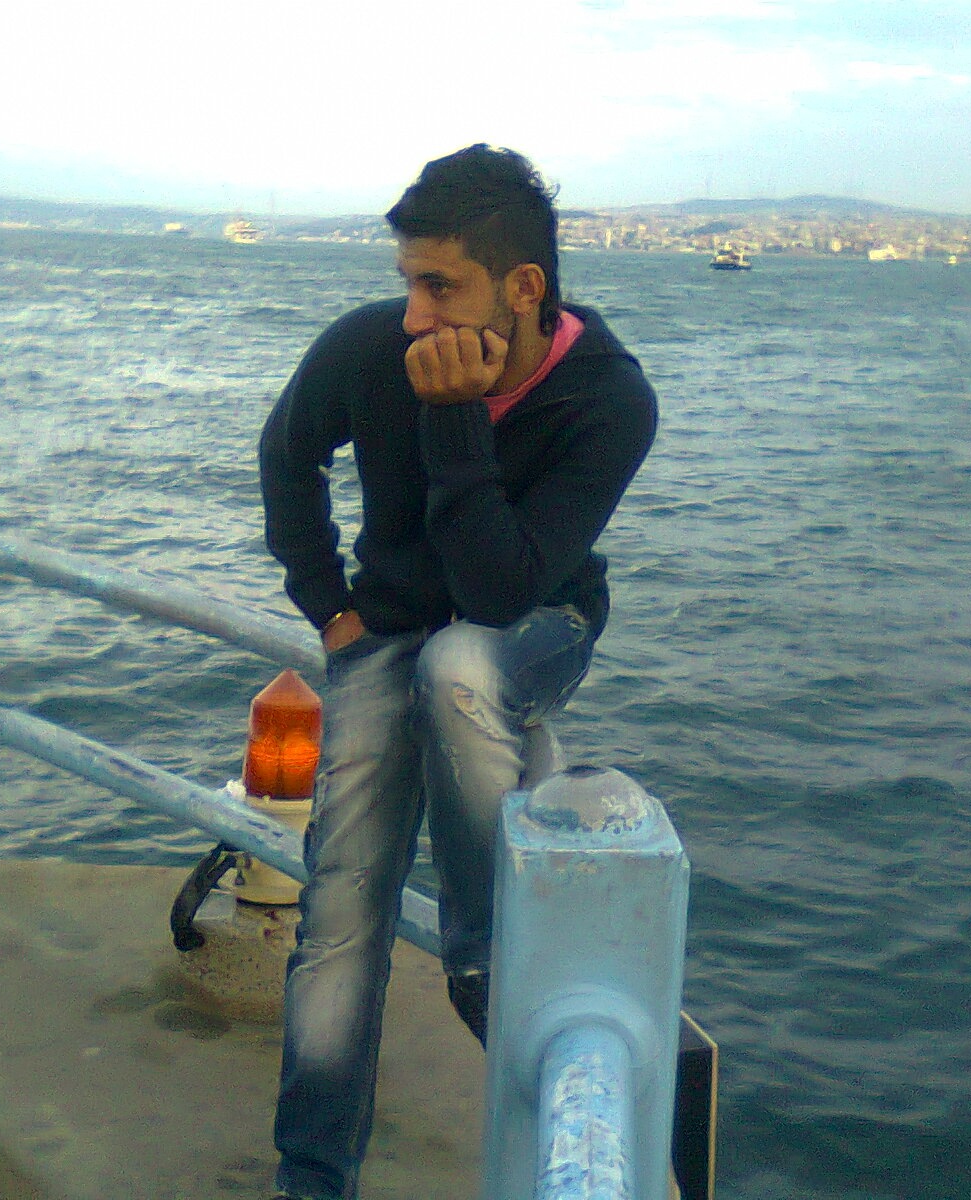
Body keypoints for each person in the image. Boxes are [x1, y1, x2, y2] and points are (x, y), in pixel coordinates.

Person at [257, 143, 658, 1200]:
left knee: (460, 665)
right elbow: (286, 453)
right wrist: (329, 607)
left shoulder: (609, 399)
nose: (412, 317)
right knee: (339, 917)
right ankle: (312, 1179)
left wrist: (453, 418)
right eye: (408, 283)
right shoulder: (368, 350)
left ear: (522, 288)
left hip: (532, 619)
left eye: (440, 288)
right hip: (386, 631)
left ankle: (483, 951)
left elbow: (498, 587)